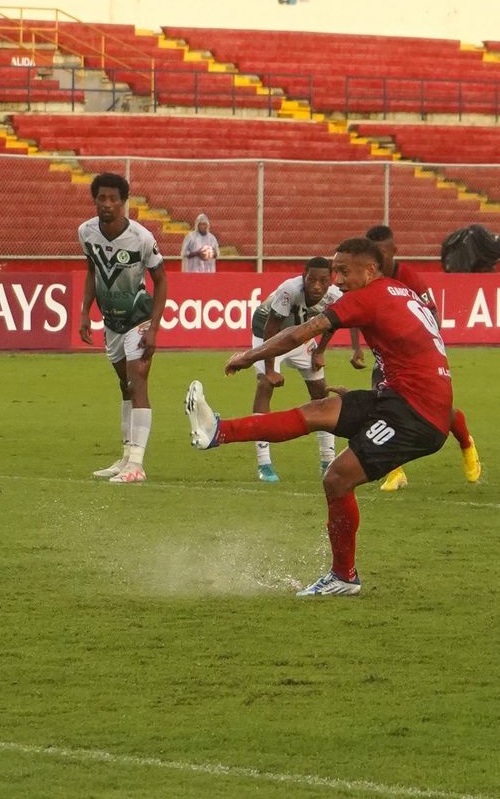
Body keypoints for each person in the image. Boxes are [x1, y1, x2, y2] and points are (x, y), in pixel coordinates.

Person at [185, 237, 453, 596]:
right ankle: (216, 431)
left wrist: (250, 356)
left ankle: (344, 576)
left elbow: (302, 332)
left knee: (337, 479)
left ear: (369, 269)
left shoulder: (368, 295)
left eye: (344, 271)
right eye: (334, 271)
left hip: (416, 415)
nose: (337, 280)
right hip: (401, 398)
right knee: (319, 410)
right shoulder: (395, 289)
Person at [363, 225, 480, 490]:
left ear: (394, 251)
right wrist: (360, 348)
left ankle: (466, 445)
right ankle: (395, 472)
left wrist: (425, 352)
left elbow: (433, 316)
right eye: (374, 252)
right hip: (386, 358)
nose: (378, 258)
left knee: (438, 411)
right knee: (381, 408)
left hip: (418, 359)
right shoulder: (368, 279)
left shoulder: (409, 278)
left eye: (383, 252)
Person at [79, 172, 167, 484]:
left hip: (139, 318)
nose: (107, 204)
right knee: (124, 385)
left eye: (113, 198)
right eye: (101, 198)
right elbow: (92, 270)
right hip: (111, 321)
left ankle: (138, 464)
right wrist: (84, 312)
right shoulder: (86, 232)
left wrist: (154, 328)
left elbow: (161, 280)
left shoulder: (142, 238)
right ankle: (127, 456)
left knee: (137, 381)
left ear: (123, 202)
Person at [249, 257, 361, 482]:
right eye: (312, 280)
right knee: (264, 384)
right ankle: (264, 464)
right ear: (303, 276)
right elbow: (271, 329)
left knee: (320, 390)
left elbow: (336, 322)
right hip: (266, 336)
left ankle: (327, 460)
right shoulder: (289, 291)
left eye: (323, 280)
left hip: (299, 336)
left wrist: (320, 351)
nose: (317, 286)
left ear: (330, 280)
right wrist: (270, 369)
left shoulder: (334, 295)